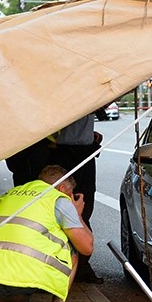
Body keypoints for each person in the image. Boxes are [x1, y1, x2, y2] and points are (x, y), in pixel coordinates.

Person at [0, 165, 94, 302]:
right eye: (71, 193)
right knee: (72, 248)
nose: (71, 197)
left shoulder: (11, 194)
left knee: (19, 295)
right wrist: (77, 214)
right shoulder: (58, 199)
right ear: (62, 188)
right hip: (25, 275)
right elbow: (87, 247)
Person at [50, 113, 104, 284]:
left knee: (85, 208)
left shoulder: (94, 94)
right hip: (63, 153)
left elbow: (102, 110)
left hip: (85, 153)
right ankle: (61, 263)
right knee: (61, 208)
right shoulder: (63, 97)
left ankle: (82, 266)